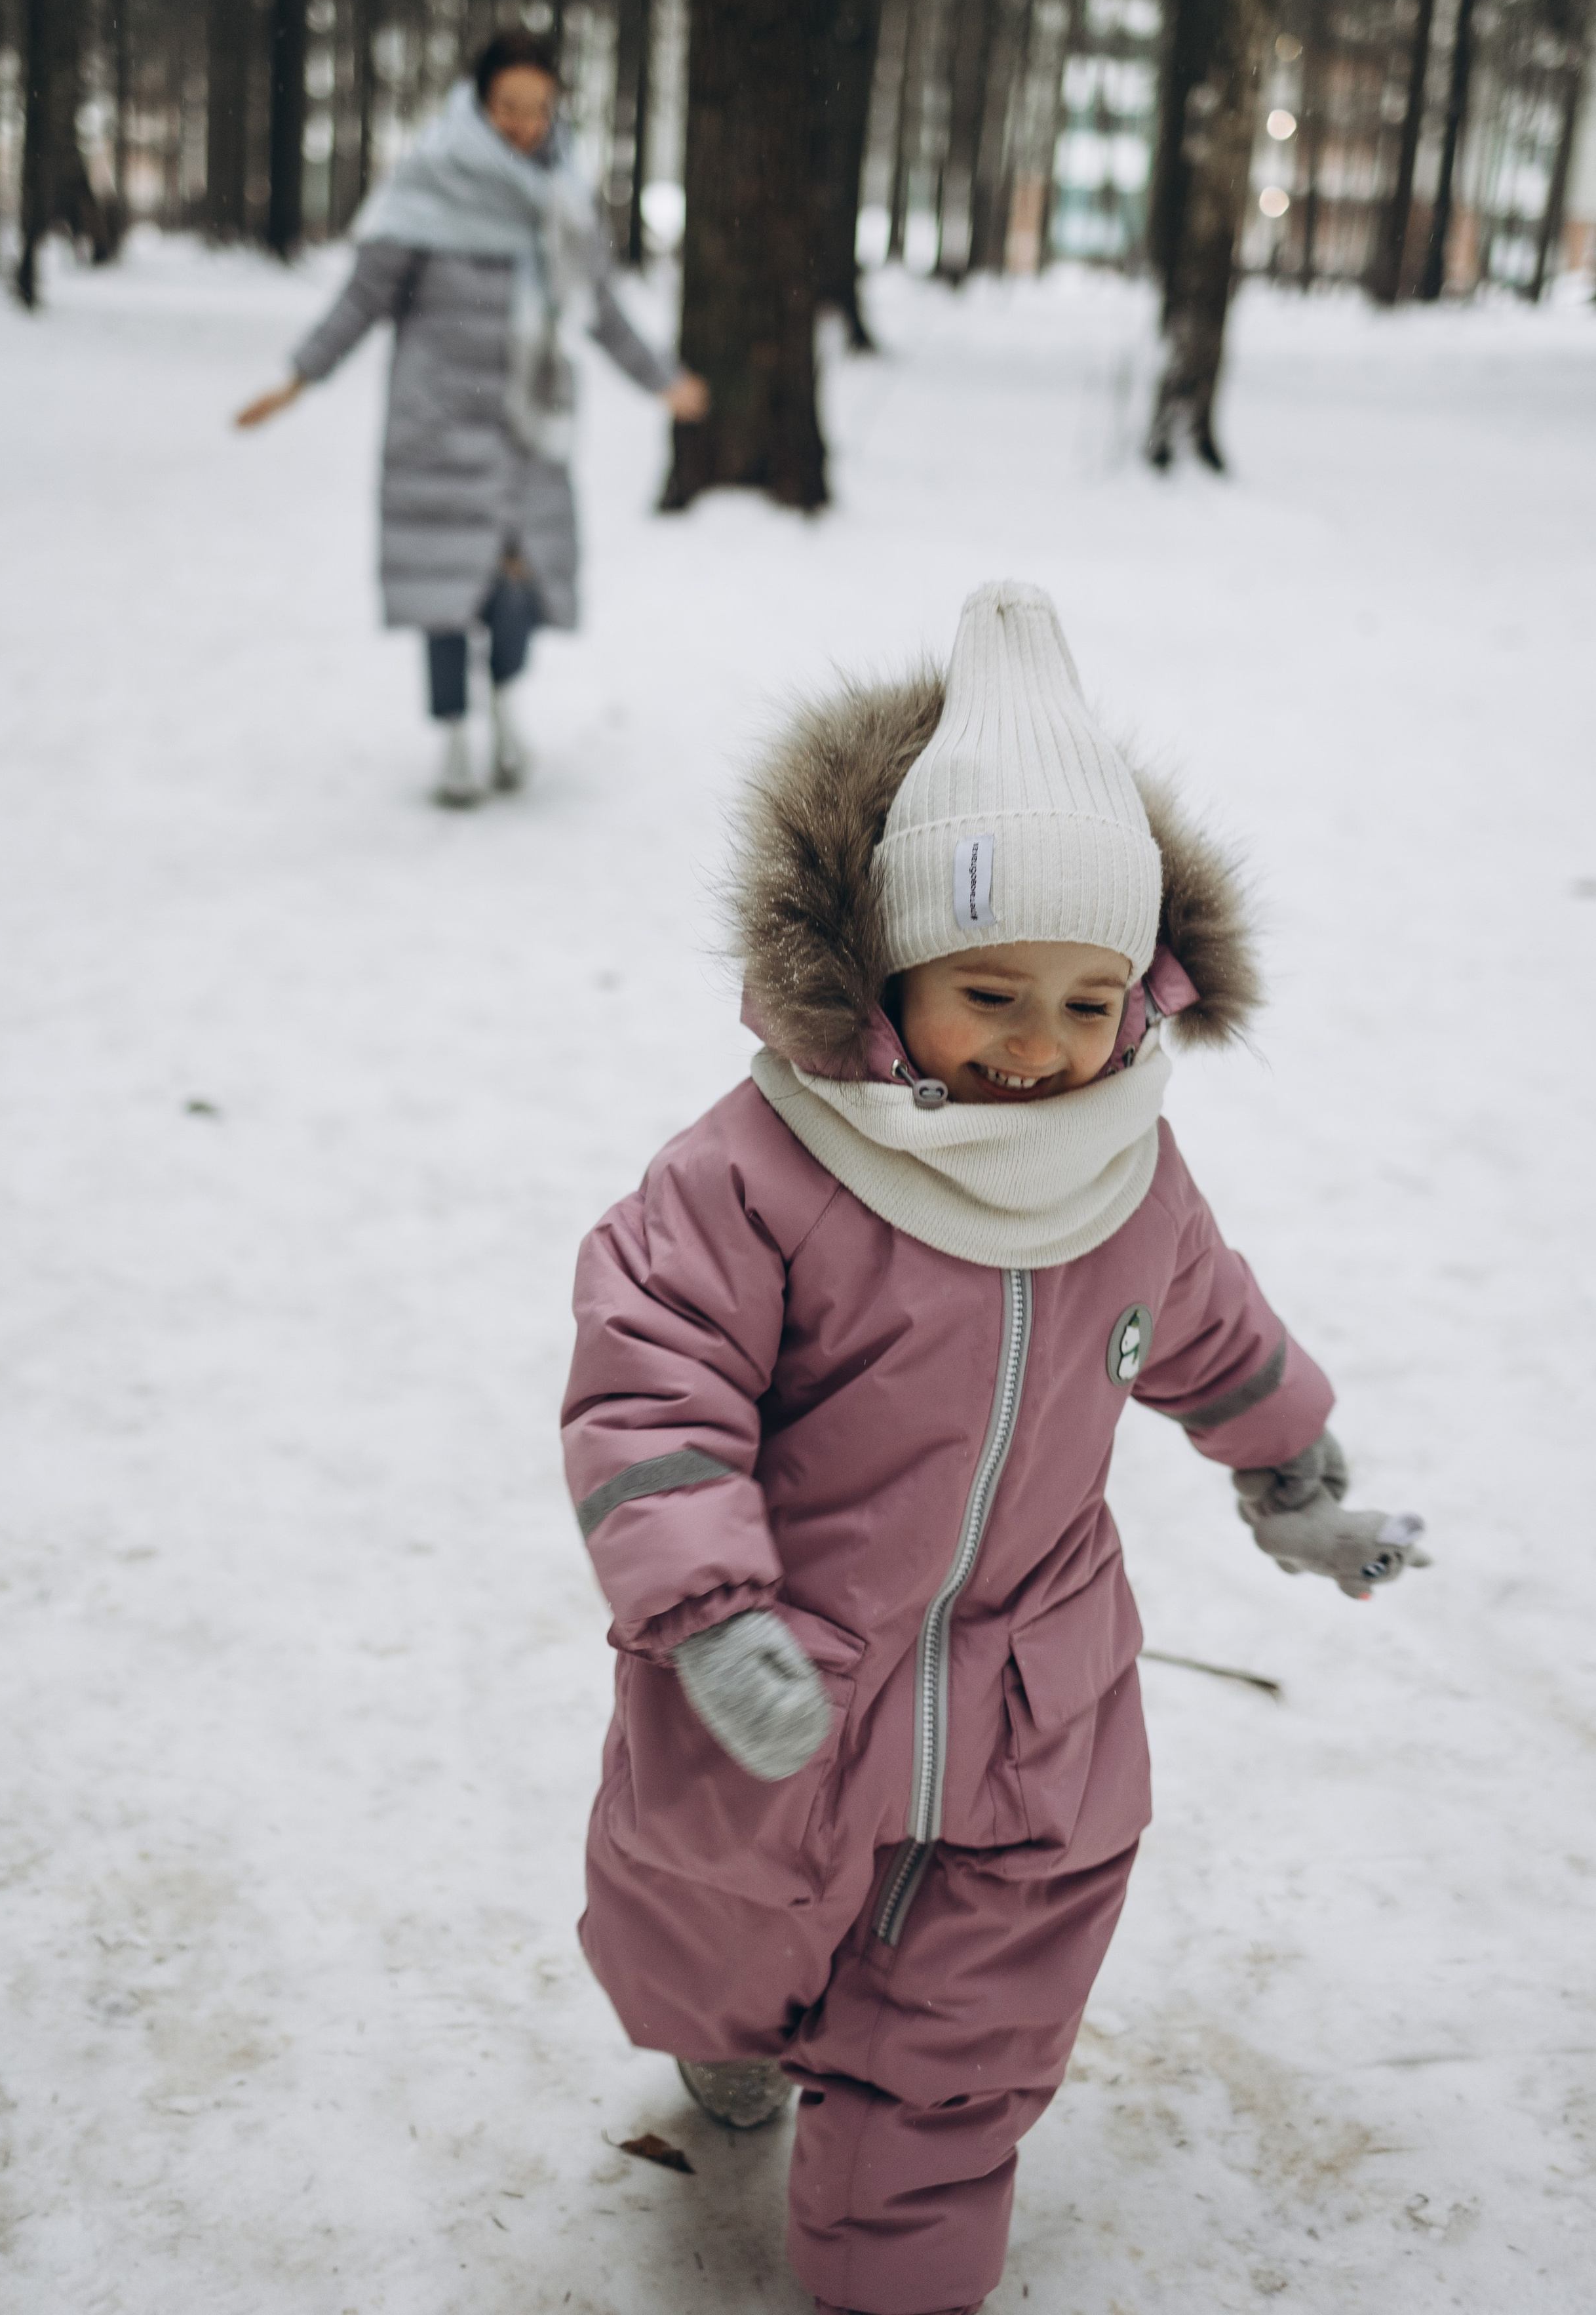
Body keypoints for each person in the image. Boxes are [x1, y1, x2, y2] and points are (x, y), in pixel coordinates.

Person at [560, 583, 1431, 2315]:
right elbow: (650, 1383)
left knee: (971, 2035)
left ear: (1145, 992)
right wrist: (711, 1609)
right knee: (721, 1929)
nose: (1043, 1050)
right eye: (991, 991)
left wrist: (1295, 1475)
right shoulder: (759, 1175)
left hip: (1042, 1700)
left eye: (1088, 1001)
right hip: (787, 1672)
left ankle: (899, 2270)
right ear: (888, 978)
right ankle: (735, 2037)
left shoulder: (1127, 1176)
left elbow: (1210, 1328)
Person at [235, 29, 707, 806]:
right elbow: (363, 298)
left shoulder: (563, 196)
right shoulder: (428, 182)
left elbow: (600, 309)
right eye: (507, 106)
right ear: (480, 102)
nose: (523, 123)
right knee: (446, 590)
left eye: (538, 107)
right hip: (437, 423)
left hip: (528, 429)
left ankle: (504, 705)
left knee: (517, 586)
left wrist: (660, 381)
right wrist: (299, 377)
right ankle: (455, 737)